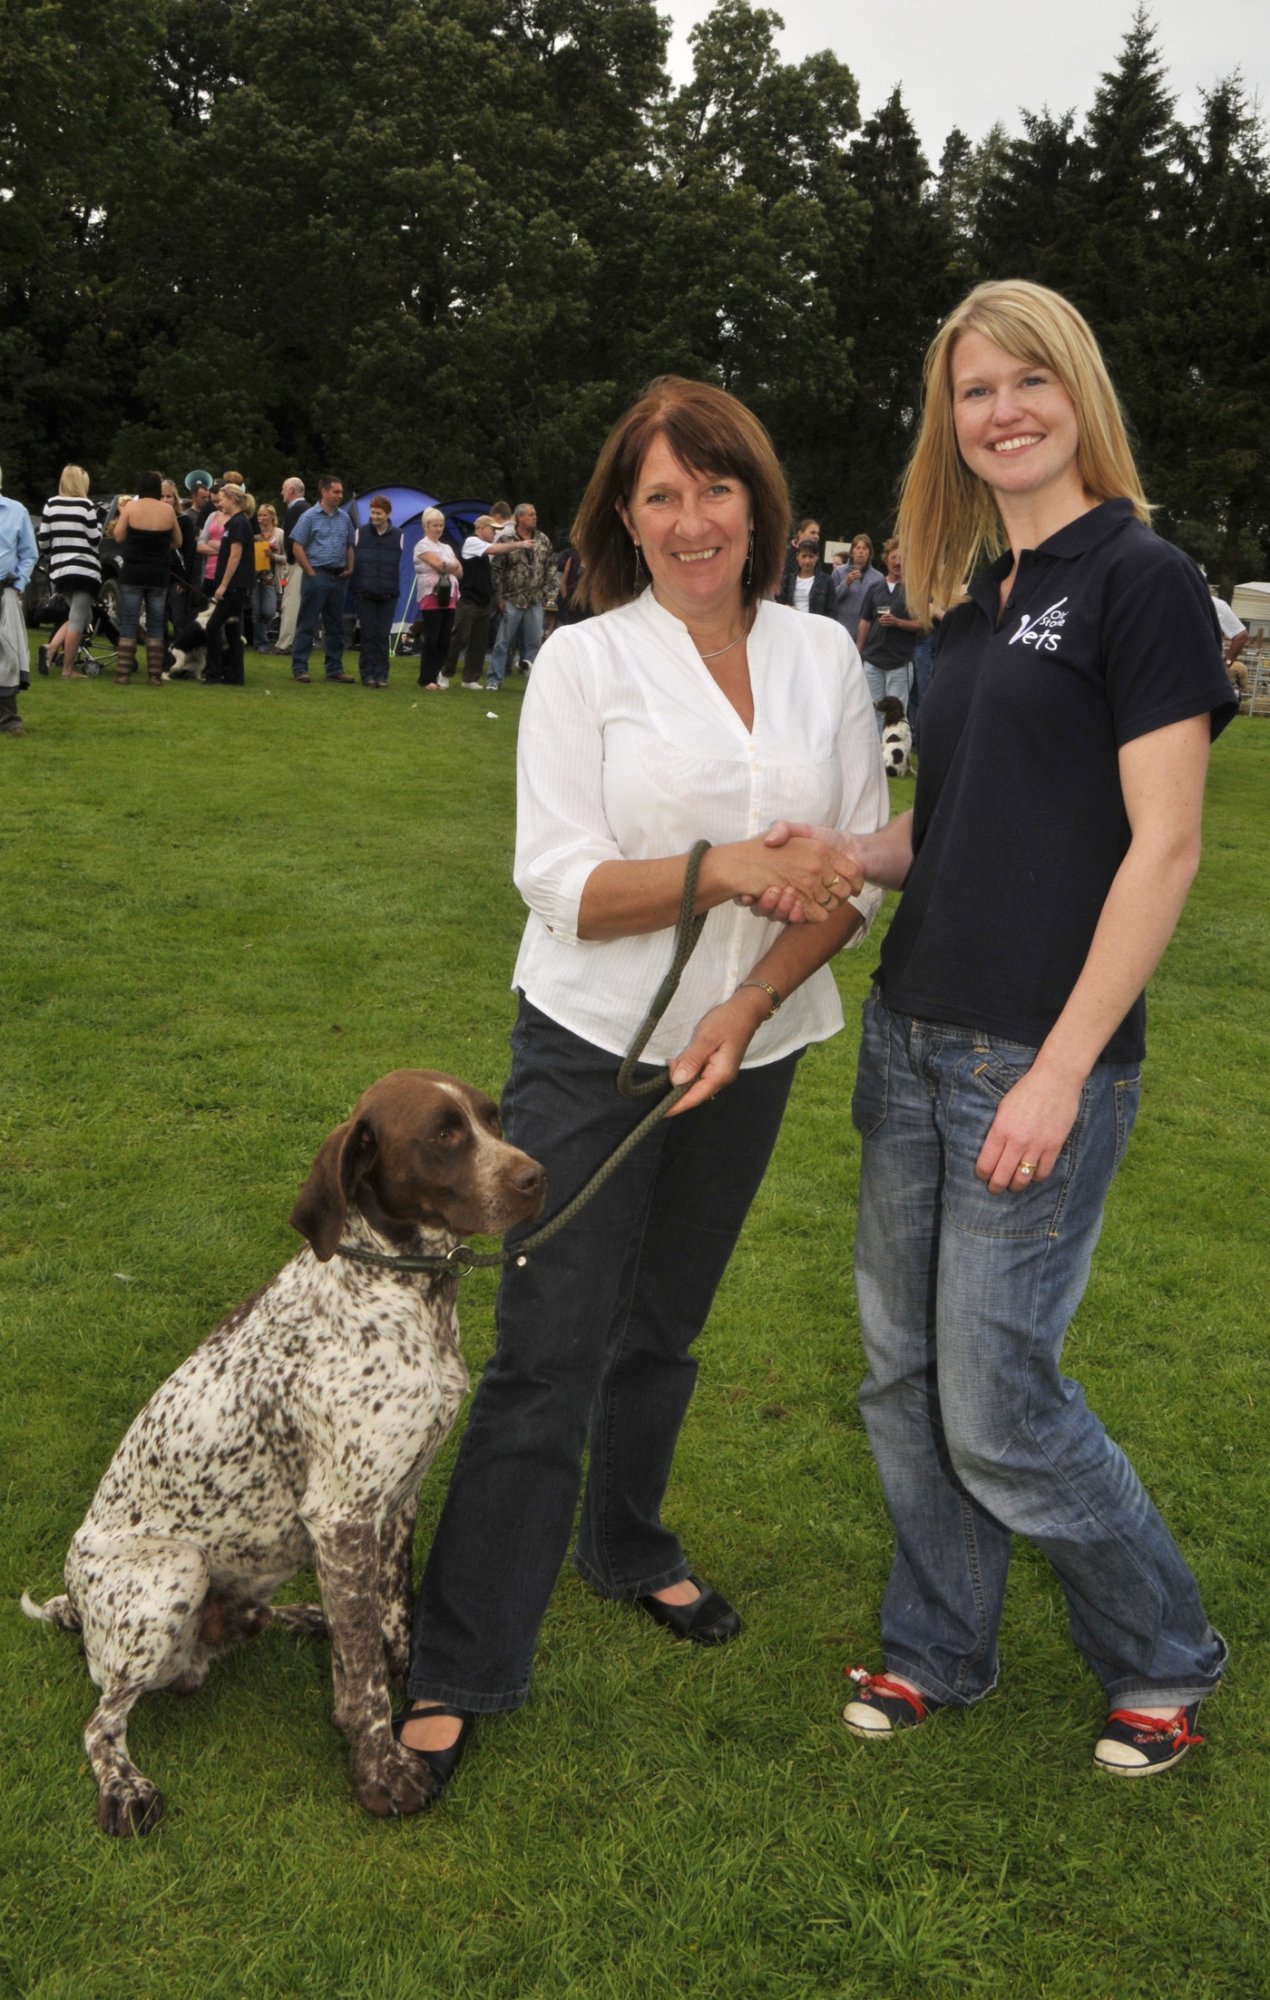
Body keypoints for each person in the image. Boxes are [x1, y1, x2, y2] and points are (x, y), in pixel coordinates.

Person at [394, 374, 888, 1804]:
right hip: (591, 1045)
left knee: (663, 1327)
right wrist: (726, 867)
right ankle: (461, 1653)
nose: (691, 519)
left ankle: (626, 1545)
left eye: (716, 488)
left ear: (759, 504)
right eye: (661, 494)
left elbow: (847, 875)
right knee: (549, 1342)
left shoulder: (822, 657)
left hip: (758, 1040)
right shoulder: (584, 661)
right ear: (625, 513)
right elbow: (555, 884)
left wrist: (746, 997)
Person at [767, 279, 1233, 1777]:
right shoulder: (971, 607)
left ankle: (1160, 1654)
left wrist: (1058, 1066)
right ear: (949, 424)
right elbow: (964, 819)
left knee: (999, 1404)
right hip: (910, 1037)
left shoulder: (1137, 578)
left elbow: (1160, 846)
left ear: (1075, 392)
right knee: (901, 1382)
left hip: (1034, 1060)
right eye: (973, 391)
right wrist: (847, 853)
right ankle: (936, 1649)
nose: (1001, 410)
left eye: (1026, 379)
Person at [110, 473, 181, 685]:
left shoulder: (131, 508)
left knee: (130, 621)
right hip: (158, 573)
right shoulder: (168, 510)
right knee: (156, 623)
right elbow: (178, 541)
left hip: (133, 572)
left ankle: (123, 674)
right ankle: (155, 675)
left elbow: (119, 536)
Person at [37, 465, 102, 678]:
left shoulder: (51, 504)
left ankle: (51, 649)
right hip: (84, 569)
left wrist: (51, 557)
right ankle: (67, 669)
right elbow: (95, 539)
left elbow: (44, 540)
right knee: (77, 619)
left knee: (83, 615)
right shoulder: (86, 506)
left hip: (60, 570)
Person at [289, 475, 355, 683]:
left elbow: (349, 545)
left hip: (338, 578)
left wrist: (350, 566)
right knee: (307, 624)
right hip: (317, 575)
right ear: (324, 492)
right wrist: (310, 572)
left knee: (336, 626)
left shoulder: (344, 517)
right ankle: (300, 667)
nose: (339, 496)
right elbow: (297, 545)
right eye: (336, 492)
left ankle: (334, 668)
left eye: (341, 492)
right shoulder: (309, 516)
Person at [487, 502, 554, 689]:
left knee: (534, 642)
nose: (534, 517)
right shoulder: (507, 540)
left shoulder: (543, 539)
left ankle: (533, 681)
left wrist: (544, 590)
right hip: (512, 599)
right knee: (503, 642)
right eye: (530, 514)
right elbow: (497, 570)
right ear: (520, 518)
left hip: (534, 600)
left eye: (535, 514)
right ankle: (494, 679)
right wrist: (499, 598)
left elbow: (551, 566)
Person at [856, 539, 920, 719]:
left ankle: (894, 748)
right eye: (894, 557)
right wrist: (858, 650)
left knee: (896, 712)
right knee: (871, 712)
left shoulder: (914, 590)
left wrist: (898, 622)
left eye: (902, 558)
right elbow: (865, 621)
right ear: (886, 560)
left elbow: (923, 625)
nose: (897, 562)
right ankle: (874, 747)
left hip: (899, 661)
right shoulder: (875, 587)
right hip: (873, 659)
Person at [0, 464, 38, 736]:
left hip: (5, 591)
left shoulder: (16, 511)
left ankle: (10, 719)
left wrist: (20, 583)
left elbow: (29, 553)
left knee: (9, 655)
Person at [353, 497, 402, 686]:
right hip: (365, 592)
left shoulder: (399, 535)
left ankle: (381, 674)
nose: (374, 516)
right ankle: (367, 674)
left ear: (387, 514)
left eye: (378, 513)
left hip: (388, 593)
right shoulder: (361, 533)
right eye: (372, 512)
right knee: (367, 635)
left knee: (382, 636)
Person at [411, 507, 461, 687]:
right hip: (431, 594)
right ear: (426, 526)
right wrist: (450, 565)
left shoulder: (446, 547)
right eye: (434, 525)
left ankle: (436, 675)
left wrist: (449, 565)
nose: (438, 529)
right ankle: (426, 678)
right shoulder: (422, 545)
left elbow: (460, 571)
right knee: (432, 638)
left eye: (441, 525)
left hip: (450, 595)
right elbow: (440, 566)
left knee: (444, 639)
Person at [275, 476, 308, 656]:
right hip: (301, 561)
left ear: (291, 491)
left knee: (291, 602)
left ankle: (285, 643)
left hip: (297, 562)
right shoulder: (305, 508)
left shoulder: (297, 509)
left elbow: (293, 538)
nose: (281, 493)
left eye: (283, 489)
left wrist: (290, 558)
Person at [831, 533, 883, 640]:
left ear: (869, 552)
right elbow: (831, 599)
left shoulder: (878, 577)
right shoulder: (839, 572)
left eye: (864, 548)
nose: (861, 551)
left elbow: (880, 605)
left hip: (866, 634)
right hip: (842, 630)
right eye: (858, 547)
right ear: (852, 552)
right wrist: (846, 583)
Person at [251, 502, 284, 651]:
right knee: (256, 611)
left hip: (271, 577)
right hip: (255, 576)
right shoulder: (253, 533)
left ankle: (264, 633)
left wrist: (273, 556)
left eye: (265, 515)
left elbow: (287, 558)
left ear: (272, 516)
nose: (261, 518)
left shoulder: (280, 534)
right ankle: (261, 643)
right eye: (259, 515)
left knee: (269, 611)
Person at [779, 538, 837, 616]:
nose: (807, 561)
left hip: (815, 625)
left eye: (811, 556)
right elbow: (780, 605)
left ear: (817, 557)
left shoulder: (827, 581)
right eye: (804, 556)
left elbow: (831, 610)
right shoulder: (788, 580)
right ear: (797, 557)